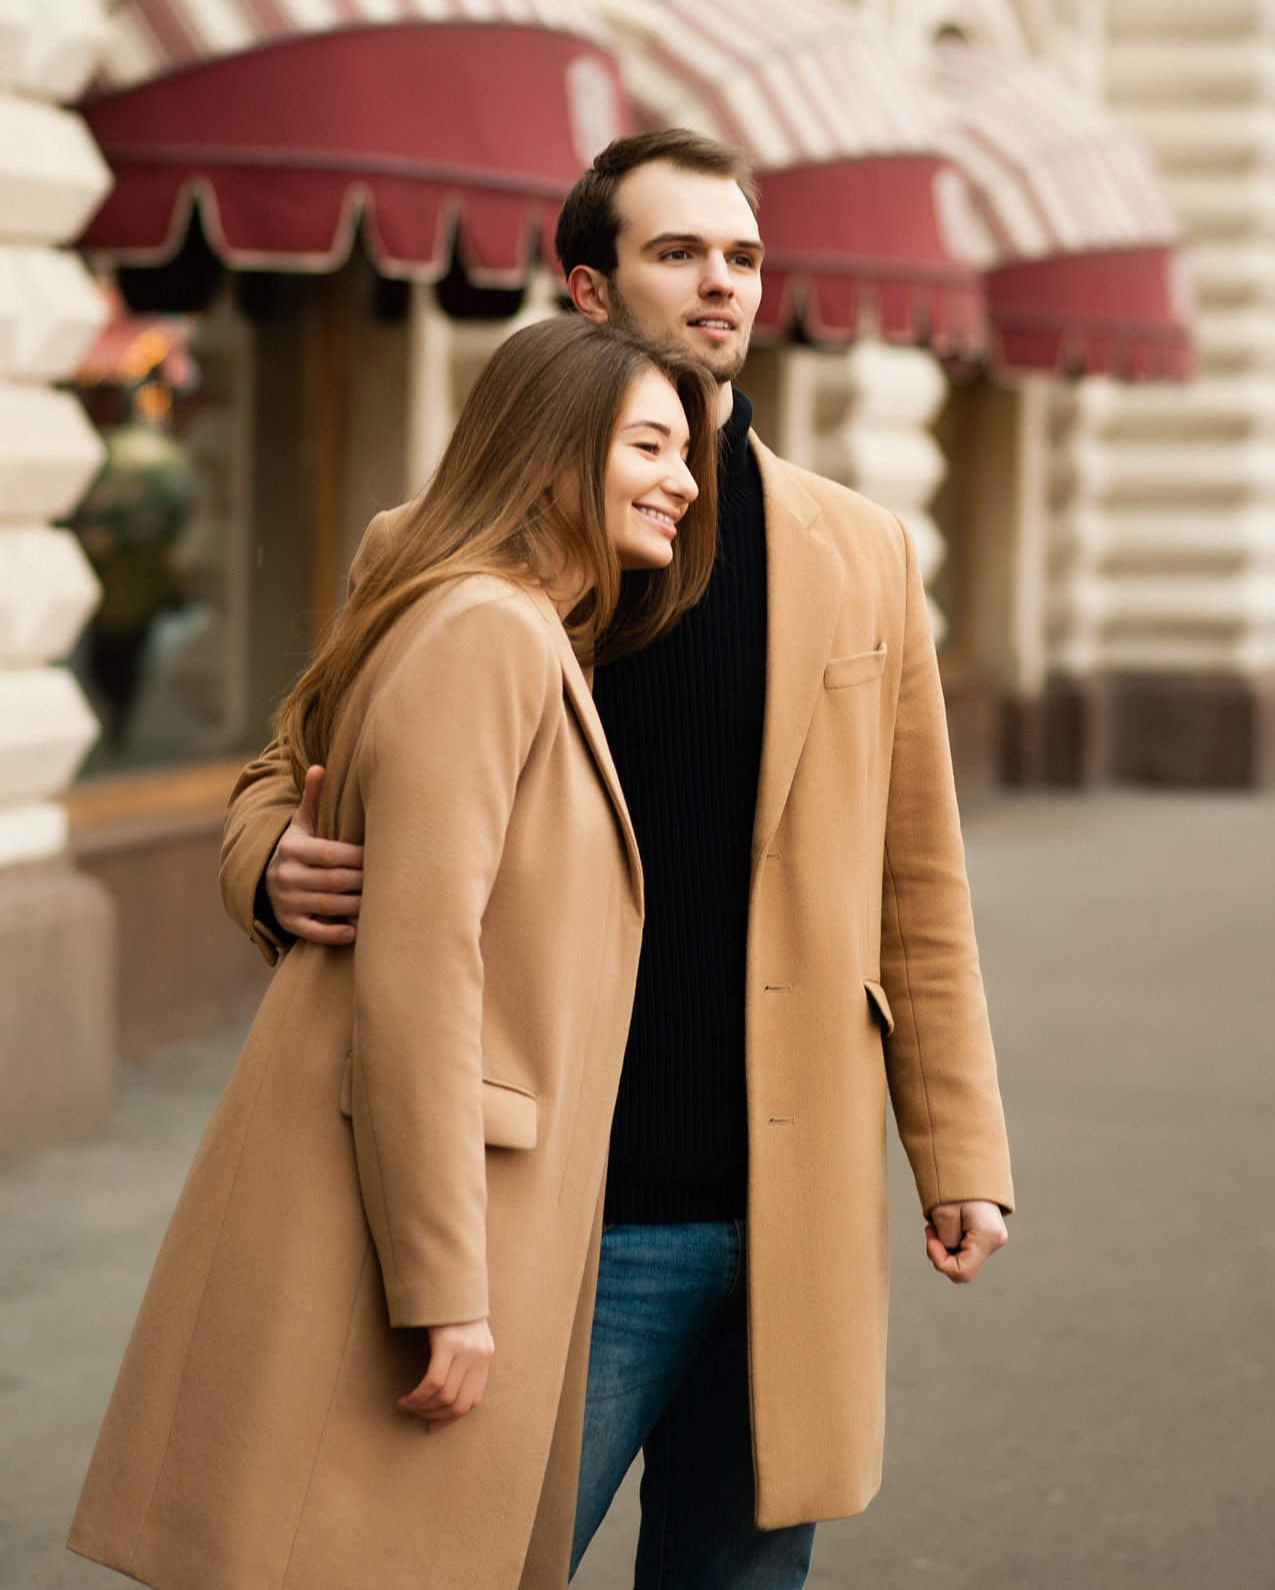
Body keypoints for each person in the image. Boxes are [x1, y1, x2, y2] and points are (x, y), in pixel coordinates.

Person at [217, 131, 1015, 1590]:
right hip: (552, 1208)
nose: (720, 283)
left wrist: (956, 1146)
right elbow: (294, 762)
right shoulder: (444, 546)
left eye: (741, 255)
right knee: (447, 1563)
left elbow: (918, 879)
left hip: (791, 1208)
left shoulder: (861, 550)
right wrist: (270, 860)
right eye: (675, 253)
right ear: (584, 291)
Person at [67, 318, 720, 1590]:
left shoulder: (504, 616)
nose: (681, 480)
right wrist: (445, 1285)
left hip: (434, 1199)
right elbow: (424, 972)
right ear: (549, 456)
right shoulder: (491, 629)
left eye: (684, 450)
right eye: (648, 444)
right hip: (414, 1221)